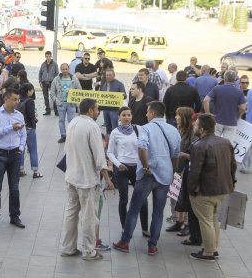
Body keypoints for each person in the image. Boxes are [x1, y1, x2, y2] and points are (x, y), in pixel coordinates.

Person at [113, 101, 181, 256]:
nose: (145, 114)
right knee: (158, 212)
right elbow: (176, 154)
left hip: (148, 175)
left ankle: (125, 241)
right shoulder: (173, 130)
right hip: (165, 175)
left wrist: (145, 167)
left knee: (134, 208)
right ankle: (153, 246)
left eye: (147, 111)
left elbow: (142, 147)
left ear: (152, 113)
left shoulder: (146, 128)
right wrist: (172, 170)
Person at [60, 99, 114, 261]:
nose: (98, 112)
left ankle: (68, 248)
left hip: (71, 176)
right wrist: (108, 180)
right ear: (91, 110)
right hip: (87, 180)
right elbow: (99, 159)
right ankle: (89, 251)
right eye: (97, 109)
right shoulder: (92, 127)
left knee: (71, 214)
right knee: (89, 217)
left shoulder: (73, 122)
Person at [187, 113, 236, 262]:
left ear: (201, 129)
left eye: (196, 125)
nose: (194, 126)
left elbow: (195, 172)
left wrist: (191, 190)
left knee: (206, 221)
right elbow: (232, 165)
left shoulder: (199, 145)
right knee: (213, 219)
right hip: (222, 189)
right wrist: (231, 182)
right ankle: (213, 248)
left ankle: (208, 252)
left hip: (204, 191)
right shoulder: (225, 142)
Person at [106, 107, 149, 240]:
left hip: (137, 168)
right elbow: (110, 152)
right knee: (123, 199)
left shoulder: (139, 129)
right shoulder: (115, 132)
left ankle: (145, 228)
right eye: (123, 115)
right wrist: (118, 164)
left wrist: (145, 164)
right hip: (122, 169)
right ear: (119, 117)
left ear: (132, 116)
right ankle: (125, 228)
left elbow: (146, 146)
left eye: (129, 115)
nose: (126, 117)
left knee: (143, 199)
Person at [0, 88, 26, 228]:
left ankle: (14, 216)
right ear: (6, 99)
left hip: (15, 154)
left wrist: (21, 148)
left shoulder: (19, 115)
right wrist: (10, 128)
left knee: (15, 188)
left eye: (18, 99)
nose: (17, 102)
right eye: (14, 99)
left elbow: (23, 134)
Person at [168, 107, 200, 245]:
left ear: (184, 118)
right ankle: (178, 221)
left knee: (184, 197)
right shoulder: (179, 131)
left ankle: (186, 224)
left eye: (178, 115)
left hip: (185, 169)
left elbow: (194, 153)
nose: (175, 118)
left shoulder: (192, 133)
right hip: (177, 168)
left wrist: (183, 155)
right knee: (175, 196)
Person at [204, 70, 247, 144]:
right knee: (227, 146)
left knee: (213, 144)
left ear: (224, 78)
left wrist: (208, 113)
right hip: (231, 122)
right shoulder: (239, 92)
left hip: (217, 120)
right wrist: (238, 116)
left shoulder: (217, 88)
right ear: (235, 79)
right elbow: (243, 108)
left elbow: (206, 100)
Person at [50, 63, 81, 143]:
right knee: (61, 120)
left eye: (66, 69)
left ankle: (71, 135)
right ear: (61, 70)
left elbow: (79, 89)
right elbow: (52, 92)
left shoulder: (74, 78)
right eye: (63, 69)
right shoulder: (56, 79)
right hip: (61, 103)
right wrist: (56, 100)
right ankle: (63, 135)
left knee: (71, 121)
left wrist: (75, 98)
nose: (65, 71)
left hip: (71, 104)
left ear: (69, 69)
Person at [19, 83, 41, 178]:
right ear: (28, 91)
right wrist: (35, 119)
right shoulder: (30, 101)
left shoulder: (19, 99)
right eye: (32, 90)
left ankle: (21, 169)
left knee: (21, 149)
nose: (33, 91)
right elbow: (32, 115)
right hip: (30, 127)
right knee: (33, 150)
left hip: (20, 128)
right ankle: (35, 171)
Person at [100, 69, 126, 135]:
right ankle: (108, 140)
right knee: (107, 126)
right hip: (105, 109)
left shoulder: (119, 84)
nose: (108, 77)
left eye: (110, 75)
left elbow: (125, 96)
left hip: (114, 110)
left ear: (114, 75)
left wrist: (122, 95)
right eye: (107, 75)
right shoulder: (105, 84)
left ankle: (115, 140)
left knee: (114, 127)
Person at [39, 51, 59, 116]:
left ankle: (56, 111)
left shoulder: (55, 64)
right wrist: (40, 81)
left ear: (51, 56)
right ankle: (48, 110)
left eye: (49, 56)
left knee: (54, 96)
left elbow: (57, 73)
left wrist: (55, 82)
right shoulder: (43, 64)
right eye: (47, 56)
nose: (48, 58)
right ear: (45, 56)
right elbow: (40, 73)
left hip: (52, 82)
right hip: (44, 82)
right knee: (45, 97)